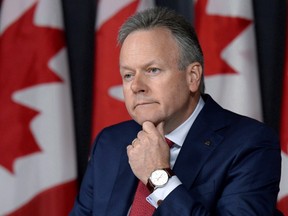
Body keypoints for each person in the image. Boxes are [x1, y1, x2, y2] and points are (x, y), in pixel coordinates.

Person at [70, 7, 282, 215]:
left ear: (192, 77)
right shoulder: (110, 143)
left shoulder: (250, 145)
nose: (136, 86)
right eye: (128, 75)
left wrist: (158, 177)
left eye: (152, 70)